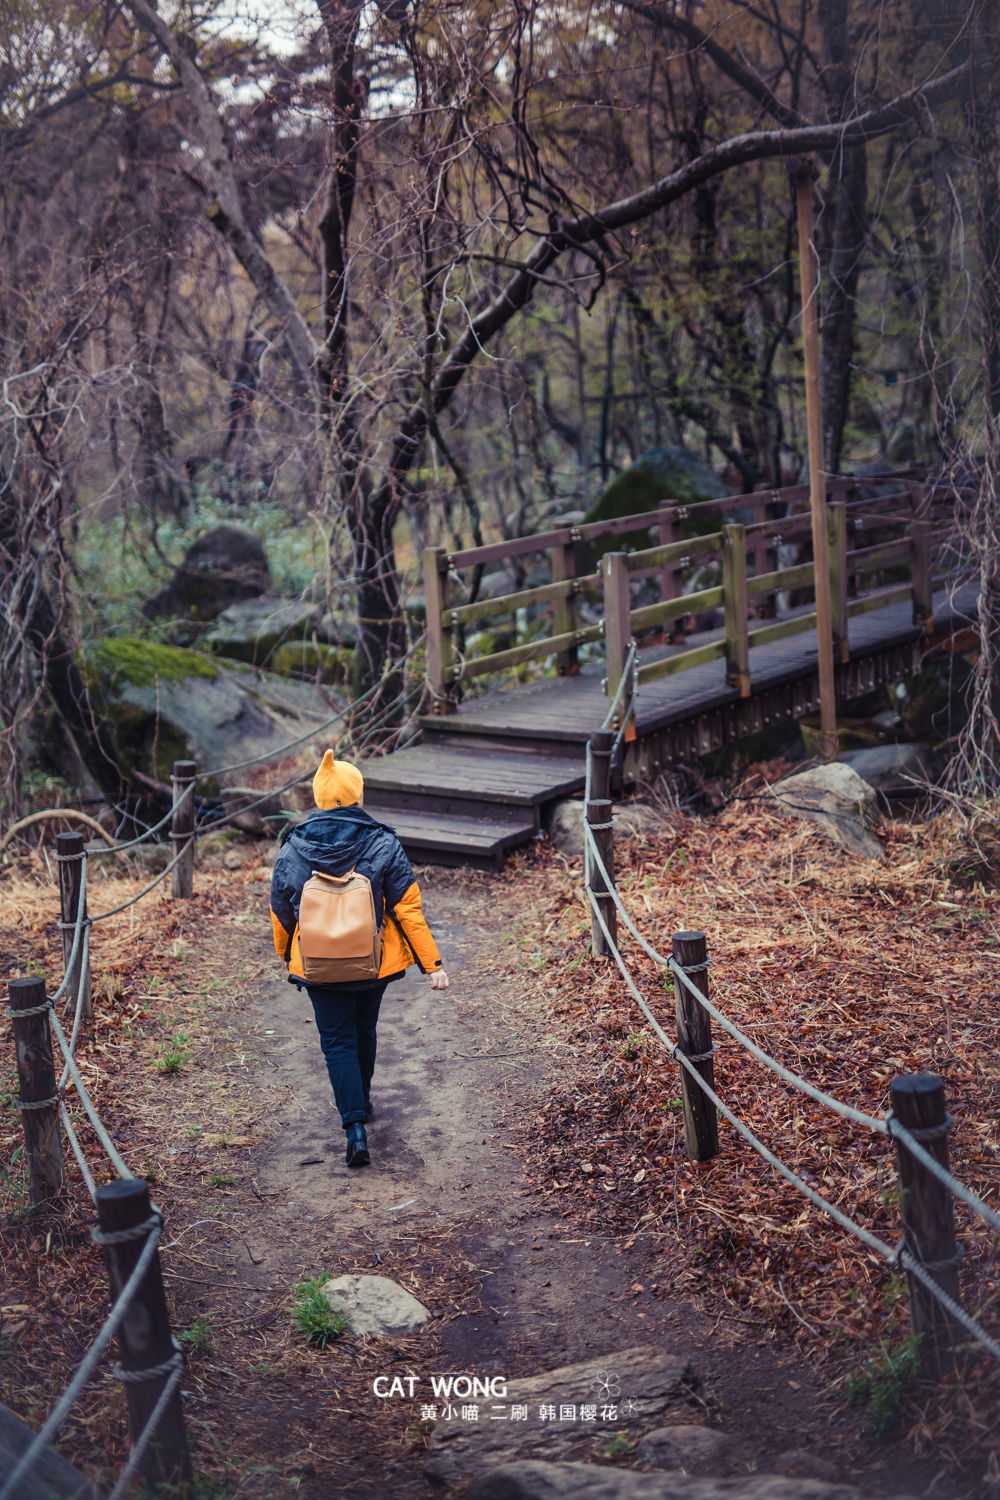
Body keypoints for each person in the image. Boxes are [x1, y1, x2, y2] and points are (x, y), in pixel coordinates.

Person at [269, 751, 449, 1167]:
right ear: (356, 796)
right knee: (364, 1030)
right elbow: (407, 909)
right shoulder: (382, 841)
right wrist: (432, 965)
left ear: (317, 798)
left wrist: (286, 954)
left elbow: (282, 911)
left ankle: (354, 1128)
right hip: (373, 962)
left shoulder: (293, 847)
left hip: (317, 965)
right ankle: (362, 1102)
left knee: (336, 1042)